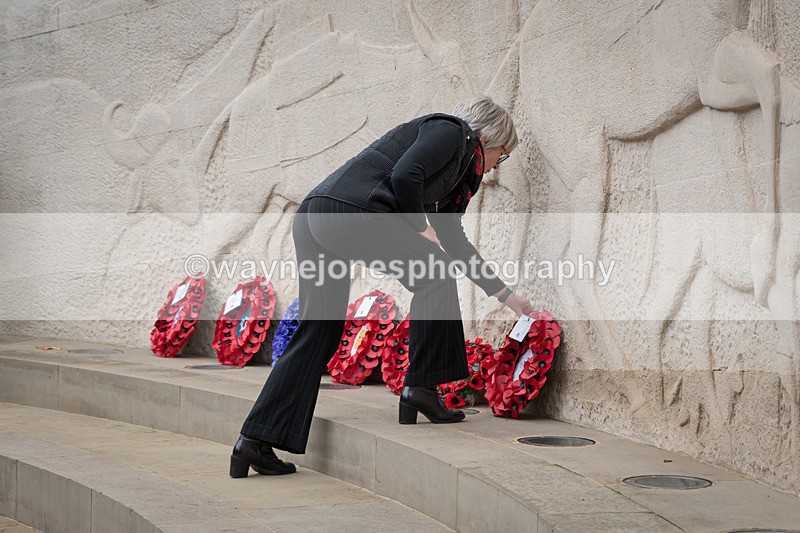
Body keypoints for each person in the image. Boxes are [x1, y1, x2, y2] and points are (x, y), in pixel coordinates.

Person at [230, 96, 535, 477]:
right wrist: (419, 226)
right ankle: (421, 388)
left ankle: (253, 442)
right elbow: (405, 176)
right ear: (489, 139)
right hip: (352, 214)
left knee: (319, 329)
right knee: (435, 272)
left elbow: (453, 239)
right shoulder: (452, 132)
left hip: (317, 216)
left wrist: (506, 295)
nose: (494, 168)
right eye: (501, 156)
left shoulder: (456, 172)